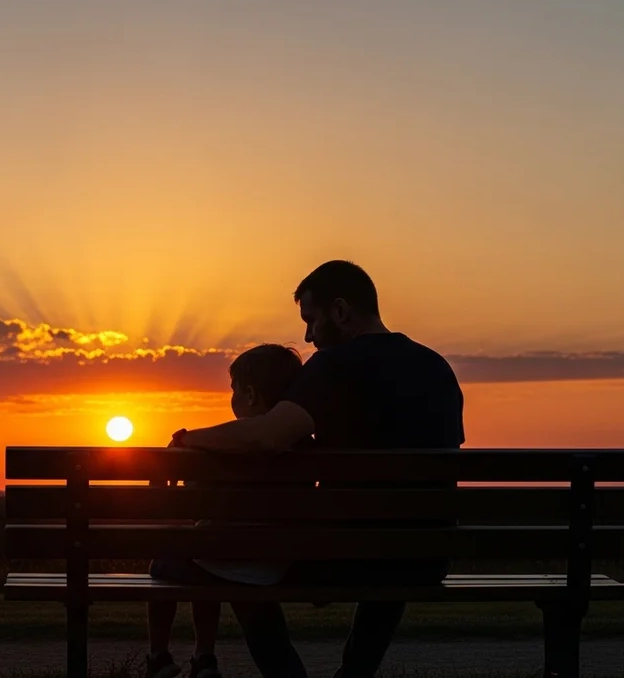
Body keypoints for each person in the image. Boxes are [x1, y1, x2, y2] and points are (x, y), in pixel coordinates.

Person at [170, 260, 465, 678]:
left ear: (340, 312)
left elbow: (265, 437)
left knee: (238, 566)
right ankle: (353, 675)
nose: (308, 336)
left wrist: (189, 438)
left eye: (311, 321)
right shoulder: (437, 367)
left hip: (348, 554)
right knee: (393, 545)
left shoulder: (335, 366)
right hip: (427, 556)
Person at [146, 343, 310, 678]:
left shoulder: (217, 449)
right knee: (212, 558)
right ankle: (203, 659)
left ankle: (160, 655)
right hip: (273, 566)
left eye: (233, 390)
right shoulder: (304, 447)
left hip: (219, 563)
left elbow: (171, 502)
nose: (231, 398)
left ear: (250, 395)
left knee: (167, 558)